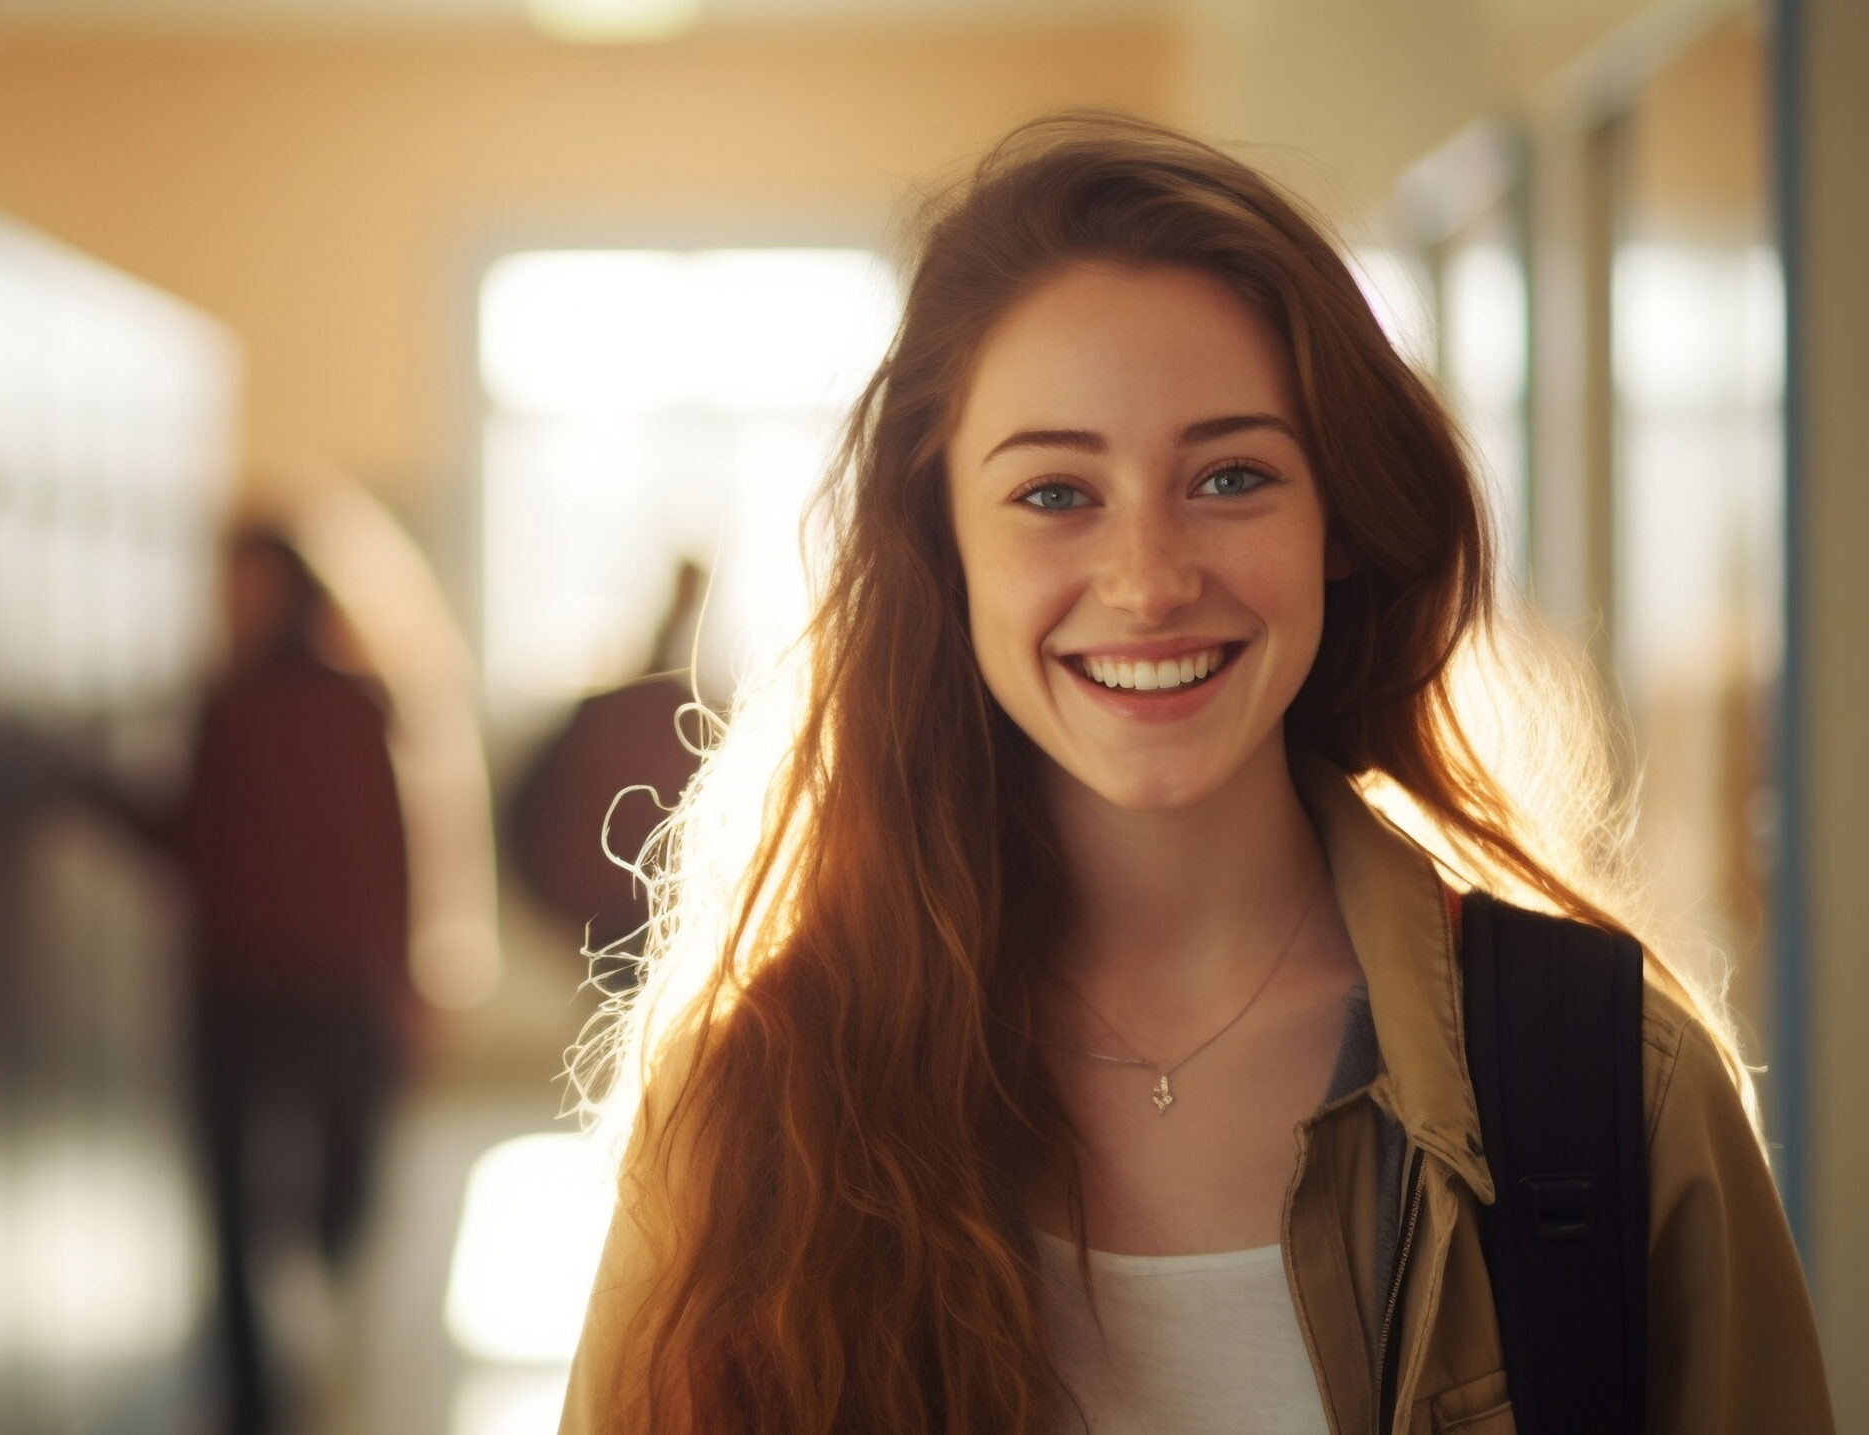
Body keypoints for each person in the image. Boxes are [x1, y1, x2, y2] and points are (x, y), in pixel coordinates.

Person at [558, 113, 1830, 1434]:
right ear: (944, 548)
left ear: (1338, 519)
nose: (1152, 579)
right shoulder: (754, 1099)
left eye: (1231, 476)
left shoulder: (1611, 1078)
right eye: (1057, 492)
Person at [90, 529, 412, 1435]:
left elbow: (389, 849)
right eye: (229, 586)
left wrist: (405, 979)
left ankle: (310, 1320)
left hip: (335, 987)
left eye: (251, 585)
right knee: (230, 1206)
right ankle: (254, 1405)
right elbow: (191, 835)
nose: (235, 604)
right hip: (235, 986)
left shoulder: (352, 703)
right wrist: (86, 788)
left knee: (343, 1188)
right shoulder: (223, 706)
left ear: (293, 592)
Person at [505, 559, 710, 993]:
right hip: (621, 917)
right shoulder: (622, 716)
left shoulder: (683, 715)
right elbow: (532, 812)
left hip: (657, 918)